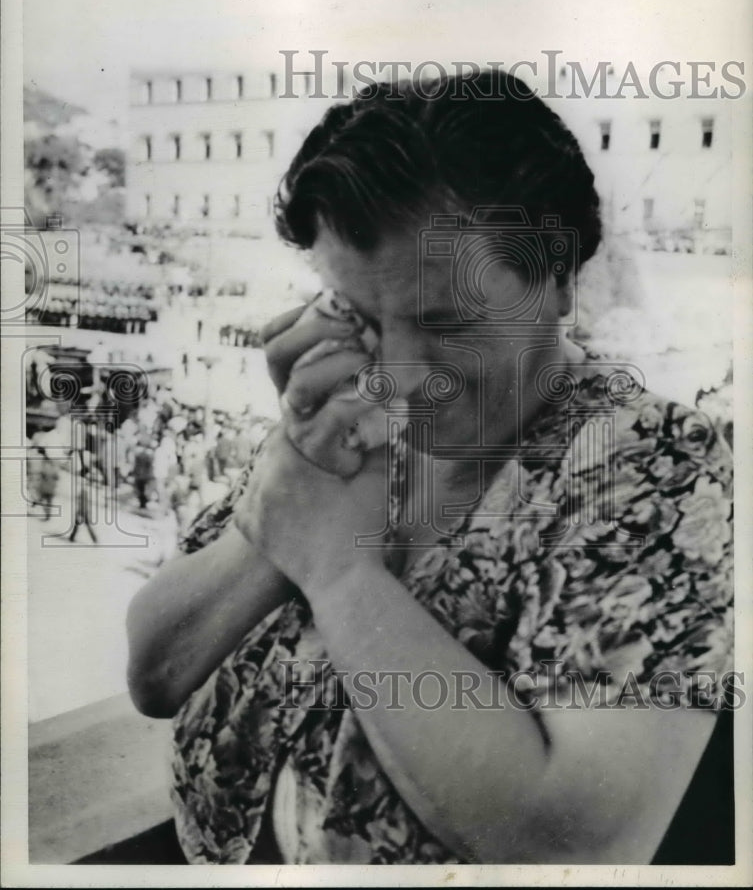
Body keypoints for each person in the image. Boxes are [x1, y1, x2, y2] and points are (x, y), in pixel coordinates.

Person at [127, 69, 733, 865]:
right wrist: (295, 483)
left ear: (558, 285)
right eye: (360, 318)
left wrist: (339, 574)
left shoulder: (649, 466)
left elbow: (575, 844)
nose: (399, 374)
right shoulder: (344, 419)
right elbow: (156, 670)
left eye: (446, 323)